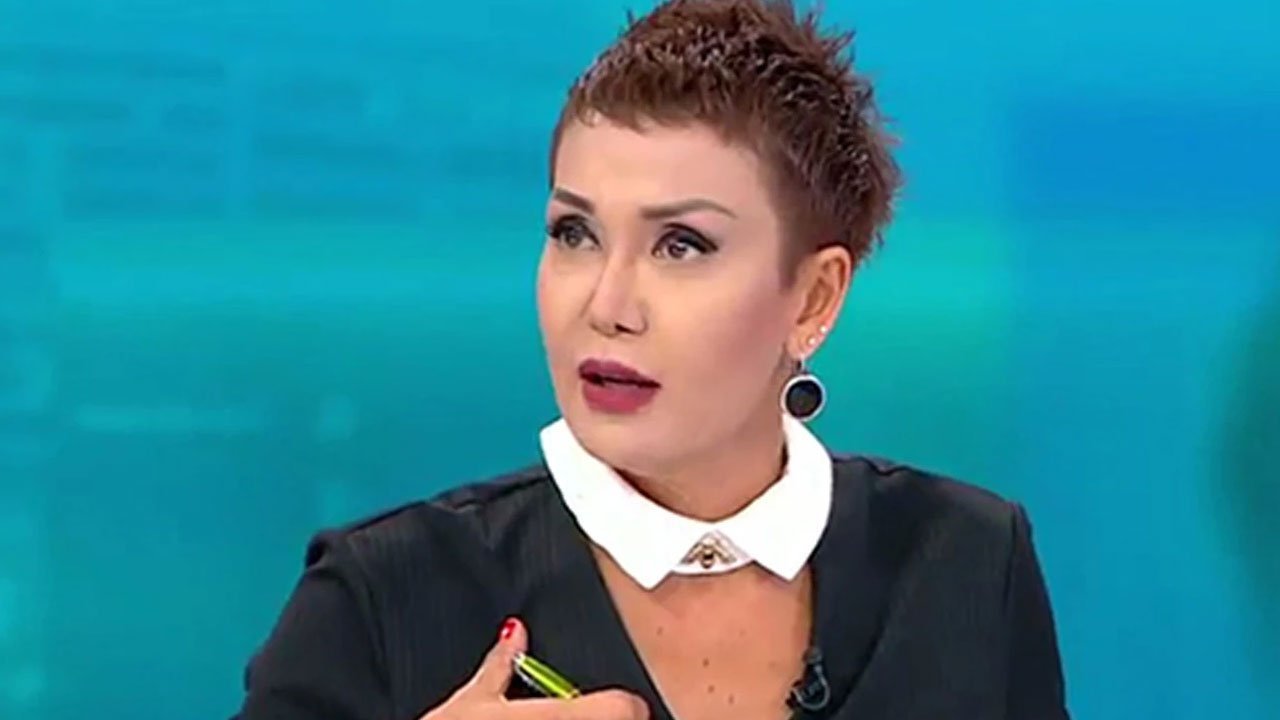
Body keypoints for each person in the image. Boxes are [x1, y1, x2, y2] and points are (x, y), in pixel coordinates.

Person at [232, 1, 1070, 718]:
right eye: (575, 233)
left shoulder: (968, 562)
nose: (607, 305)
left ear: (814, 299)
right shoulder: (382, 599)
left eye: (681, 245)